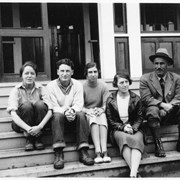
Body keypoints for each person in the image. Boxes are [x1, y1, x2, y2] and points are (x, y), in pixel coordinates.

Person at [46, 58, 94, 169]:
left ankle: (83, 150)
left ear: (72, 72)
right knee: (57, 115)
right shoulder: (51, 86)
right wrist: (66, 111)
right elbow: (53, 106)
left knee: (81, 114)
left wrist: (71, 111)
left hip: (73, 116)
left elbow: (78, 105)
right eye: (62, 71)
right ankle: (58, 152)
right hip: (58, 119)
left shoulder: (77, 85)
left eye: (68, 71)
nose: (65, 74)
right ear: (57, 72)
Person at [140, 48, 180, 158]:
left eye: (162, 63)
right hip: (153, 114)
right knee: (152, 109)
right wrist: (163, 105)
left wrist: (170, 107)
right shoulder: (145, 78)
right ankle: (158, 145)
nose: (158, 66)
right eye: (156, 63)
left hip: (171, 112)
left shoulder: (176, 78)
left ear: (167, 64)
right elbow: (146, 98)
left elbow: (179, 96)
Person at [7, 61, 53, 151]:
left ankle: (38, 138)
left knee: (40, 104)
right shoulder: (16, 90)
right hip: (21, 124)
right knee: (26, 105)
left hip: (39, 123)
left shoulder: (41, 89)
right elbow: (13, 114)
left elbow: (50, 110)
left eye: (32, 73)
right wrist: (28, 129)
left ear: (36, 75)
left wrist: (39, 127)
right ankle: (29, 139)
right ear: (21, 75)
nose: (29, 76)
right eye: (26, 73)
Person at [106, 72, 144, 178]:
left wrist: (133, 128)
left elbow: (140, 117)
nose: (125, 85)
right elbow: (110, 120)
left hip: (135, 128)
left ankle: (132, 175)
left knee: (136, 140)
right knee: (124, 140)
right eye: (121, 82)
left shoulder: (136, 98)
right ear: (116, 84)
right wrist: (123, 127)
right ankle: (135, 173)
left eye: (126, 82)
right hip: (117, 129)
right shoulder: (111, 99)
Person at [82, 62, 111, 164]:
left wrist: (102, 109)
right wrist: (88, 110)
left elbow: (106, 103)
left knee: (102, 117)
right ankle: (98, 152)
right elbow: (79, 105)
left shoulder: (103, 86)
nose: (93, 74)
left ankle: (105, 152)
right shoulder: (82, 87)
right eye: (90, 72)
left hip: (100, 111)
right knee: (94, 119)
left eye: (95, 72)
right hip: (88, 113)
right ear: (86, 74)